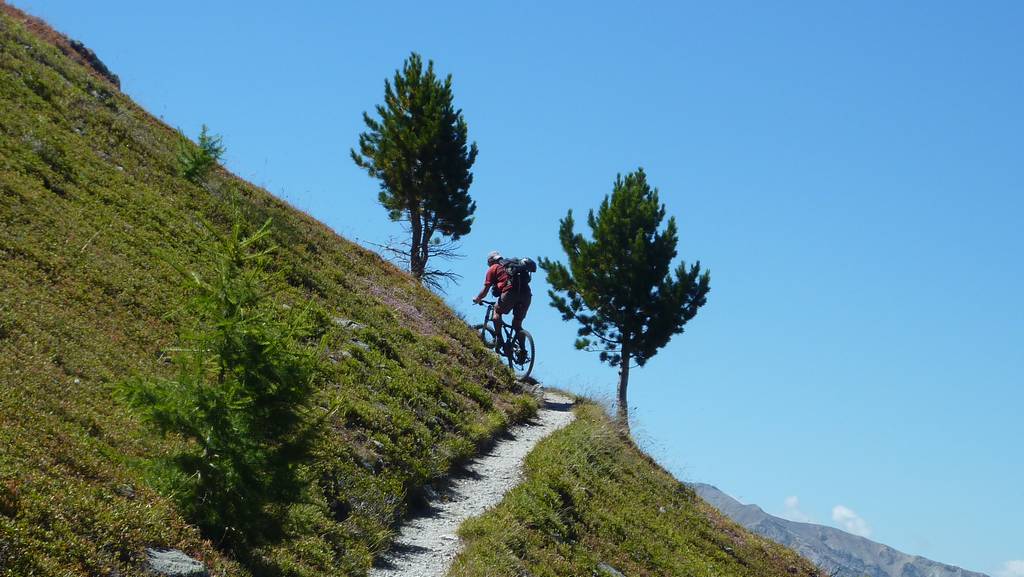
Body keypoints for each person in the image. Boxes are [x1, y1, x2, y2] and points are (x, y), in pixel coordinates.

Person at [473, 250, 531, 363]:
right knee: (517, 324)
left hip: (510, 293)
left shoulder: (493, 268)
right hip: (526, 295)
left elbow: (485, 290)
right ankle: (523, 351)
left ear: (490, 261)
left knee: (497, 312)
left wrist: (477, 298)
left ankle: (499, 339)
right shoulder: (512, 265)